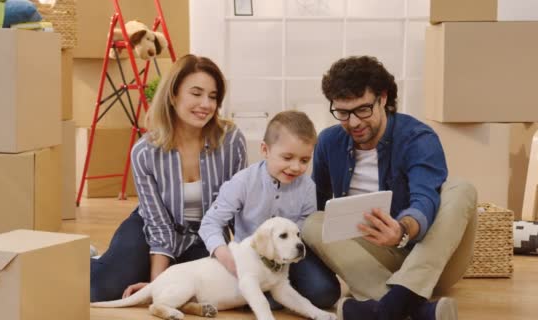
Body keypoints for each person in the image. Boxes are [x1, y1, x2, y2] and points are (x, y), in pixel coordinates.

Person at [301, 56, 477, 320]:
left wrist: (402, 230)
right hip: (376, 257)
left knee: (462, 188)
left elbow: (425, 200)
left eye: (362, 109)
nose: (354, 122)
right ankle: (409, 307)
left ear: (383, 98)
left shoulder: (417, 137)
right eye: (343, 113)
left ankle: (386, 307)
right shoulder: (329, 143)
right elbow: (319, 202)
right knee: (313, 222)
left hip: (431, 257)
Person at [90, 54, 248, 302]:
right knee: (102, 291)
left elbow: (238, 210)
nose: (205, 104)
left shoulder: (230, 140)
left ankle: (137, 269)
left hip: (203, 237)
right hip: (149, 230)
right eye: (196, 94)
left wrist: (242, 260)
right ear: (173, 95)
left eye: (213, 96)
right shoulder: (144, 152)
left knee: (204, 294)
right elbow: (158, 225)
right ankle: (95, 261)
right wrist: (157, 286)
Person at [199, 110, 341, 310]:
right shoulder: (243, 182)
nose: (295, 167)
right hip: (252, 259)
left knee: (326, 293)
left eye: (304, 160)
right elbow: (210, 223)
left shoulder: (307, 186)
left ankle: (277, 290)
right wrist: (227, 258)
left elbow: (306, 225)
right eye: (287, 157)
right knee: (265, 298)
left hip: (290, 257)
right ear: (265, 150)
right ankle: (273, 292)